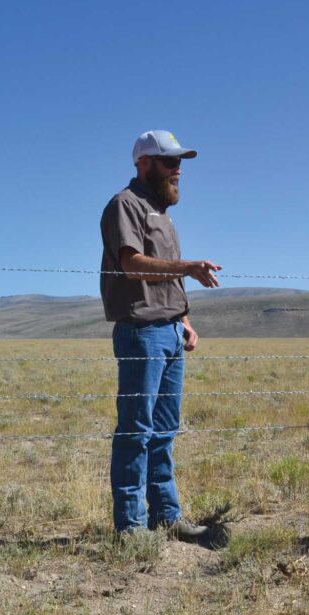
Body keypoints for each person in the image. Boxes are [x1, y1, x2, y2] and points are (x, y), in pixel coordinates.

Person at [100, 130, 222, 542]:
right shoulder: (125, 205)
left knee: (165, 430)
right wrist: (187, 267)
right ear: (144, 163)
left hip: (169, 331)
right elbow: (132, 265)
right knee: (136, 430)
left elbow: (165, 275)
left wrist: (184, 319)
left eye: (179, 163)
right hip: (141, 332)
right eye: (169, 162)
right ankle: (131, 527)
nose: (178, 170)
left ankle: (167, 516)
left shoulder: (163, 214)